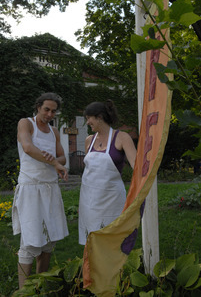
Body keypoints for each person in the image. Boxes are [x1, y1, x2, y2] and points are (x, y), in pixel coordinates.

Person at [12, 92, 69, 288]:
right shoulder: (26, 123)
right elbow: (28, 147)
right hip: (30, 189)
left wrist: (57, 163)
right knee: (29, 242)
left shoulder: (54, 132)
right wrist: (54, 162)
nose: (50, 114)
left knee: (48, 241)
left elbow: (63, 158)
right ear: (38, 107)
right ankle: (23, 291)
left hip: (50, 189)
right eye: (47, 109)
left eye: (53, 111)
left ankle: (39, 287)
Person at [79, 99, 137, 245]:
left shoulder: (122, 138)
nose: (87, 123)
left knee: (112, 241)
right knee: (91, 240)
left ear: (99, 117)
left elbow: (137, 166)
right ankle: (91, 268)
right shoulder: (89, 140)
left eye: (89, 119)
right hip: (89, 200)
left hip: (112, 199)